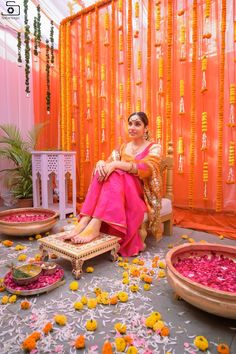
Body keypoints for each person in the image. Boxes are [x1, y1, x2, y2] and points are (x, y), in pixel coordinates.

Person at [62, 112, 163, 257]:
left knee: (116, 172)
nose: (132, 127)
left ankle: (95, 223)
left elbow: (148, 169)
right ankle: (85, 221)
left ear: (146, 128)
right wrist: (102, 163)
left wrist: (117, 164)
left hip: (139, 193)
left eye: (137, 124)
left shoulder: (154, 147)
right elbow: (109, 164)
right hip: (120, 191)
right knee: (101, 171)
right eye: (130, 124)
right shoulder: (123, 148)